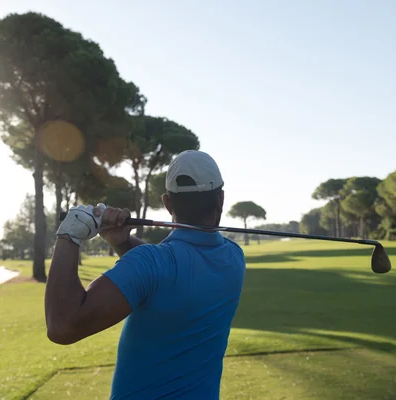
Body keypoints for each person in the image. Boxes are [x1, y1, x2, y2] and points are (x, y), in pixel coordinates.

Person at [44, 150, 246, 399]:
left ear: (167, 203)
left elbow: (62, 326)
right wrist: (123, 242)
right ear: (221, 199)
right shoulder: (234, 258)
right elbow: (169, 270)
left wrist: (69, 235)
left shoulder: (153, 264)